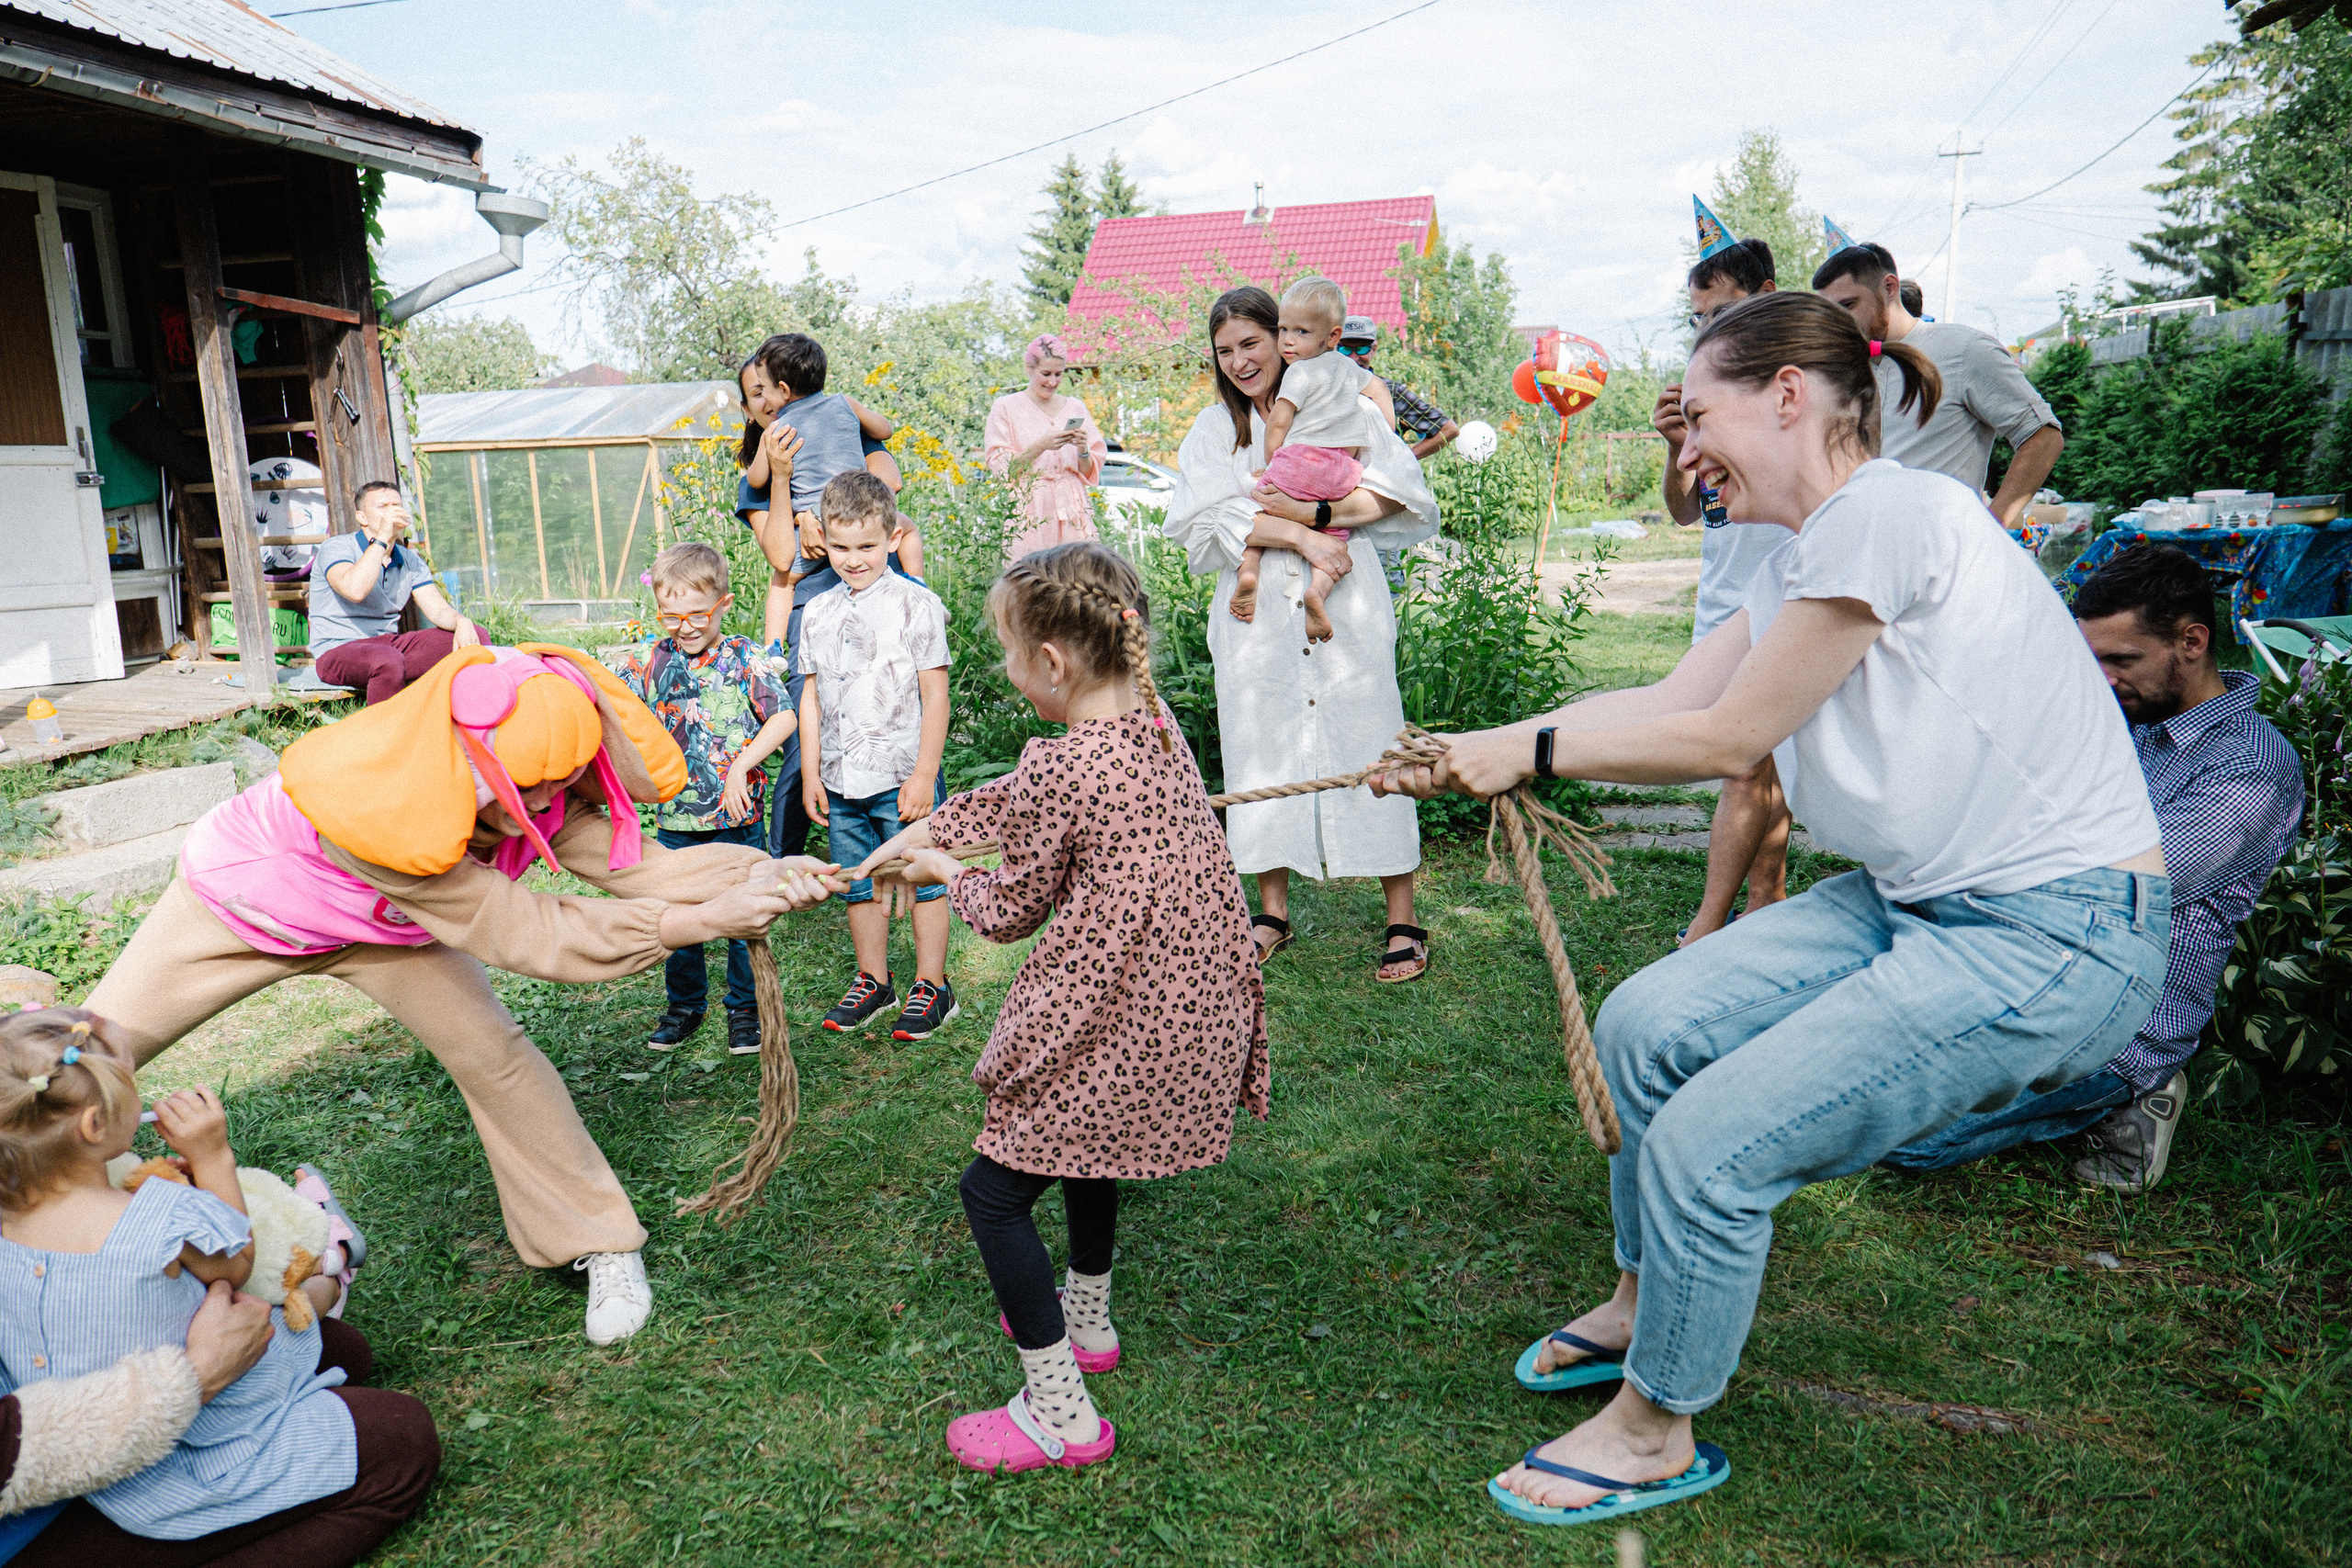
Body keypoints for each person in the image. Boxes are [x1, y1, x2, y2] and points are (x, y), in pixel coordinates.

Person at [1370, 291, 2168, 1527]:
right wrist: (1480, 742)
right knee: (1646, 1025)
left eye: (1702, 418)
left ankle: (1655, 1427)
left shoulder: (1891, 512)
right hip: (1923, 899)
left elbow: (1727, 737)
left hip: (2058, 931)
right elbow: (1675, 696)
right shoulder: (1810, 551)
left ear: (1787, 397)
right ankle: (1645, 1295)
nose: (1688, 451)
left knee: (1716, 1143)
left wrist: (1523, 752)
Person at [84, 644, 841, 1346]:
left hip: (387, 931)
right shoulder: (385, 807)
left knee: (496, 1057)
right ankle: (47, 1223)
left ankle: (600, 1239)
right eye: (528, 785)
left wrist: (760, 873)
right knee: (80, 1059)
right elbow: (530, 930)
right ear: (469, 760)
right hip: (246, 902)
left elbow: (638, 864)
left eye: (558, 779)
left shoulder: (536, 780)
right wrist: (702, 921)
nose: (545, 798)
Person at [852, 543, 1267, 1475]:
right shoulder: (1155, 721)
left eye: (1008, 652)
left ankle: (1060, 1413)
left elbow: (1007, 910)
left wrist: (942, 868)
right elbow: (1027, 798)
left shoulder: (1062, 768)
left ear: (1051, 660)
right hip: (1188, 1008)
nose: (1007, 670)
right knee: (1088, 1147)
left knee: (992, 1194)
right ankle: (1087, 1319)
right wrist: (936, 824)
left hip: (1112, 1017)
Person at [1883, 544, 2301, 1190]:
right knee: (1847, 1061)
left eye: (2121, 660)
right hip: (2018, 964)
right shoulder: (2122, 718)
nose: (2102, 679)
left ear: (2192, 642)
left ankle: (2139, 1093)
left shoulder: (2249, 767)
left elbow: (2109, 892)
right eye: (2092, 660)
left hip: (2116, 1024)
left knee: (1899, 1133)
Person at [1164, 286, 1440, 984]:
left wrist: (1312, 516)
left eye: (1251, 343)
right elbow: (1202, 523)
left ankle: (1402, 917)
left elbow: (1395, 494)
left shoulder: (1341, 406)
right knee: (1259, 744)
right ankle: (1271, 912)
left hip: (1345, 603)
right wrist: (1299, 537)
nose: (1239, 361)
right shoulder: (1213, 431)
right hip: (1255, 616)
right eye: (1225, 351)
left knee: (1372, 734)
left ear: (1284, 341)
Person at [0, 1261, 435, 1568]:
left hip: (30, 1402)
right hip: (26, 1513)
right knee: (399, 1437)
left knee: (338, 1350)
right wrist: (196, 1375)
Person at [1652, 236, 1794, 946]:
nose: (1707, 328)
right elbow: (1687, 511)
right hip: (1724, 598)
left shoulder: (1795, 389)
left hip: (1786, 594)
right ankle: (1767, 894)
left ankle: (1707, 928)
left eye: (1721, 311)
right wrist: (1676, 444)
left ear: (1765, 296)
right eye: (1698, 316)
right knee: (1761, 758)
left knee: (1744, 758)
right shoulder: (1703, 382)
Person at [614, 543, 797, 1056]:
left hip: (738, 818)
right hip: (675, 820)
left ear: (724, 604)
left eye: (698, 614)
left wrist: (741, 765)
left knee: (745, 915)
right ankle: (685, 1006)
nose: (686, 627)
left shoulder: (745, 658)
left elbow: (784, 718)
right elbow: (613, 712)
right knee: (678, 914)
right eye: (671, 616)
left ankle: (745, 1008)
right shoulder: (648, 661)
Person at [799, 472, 957, 1042]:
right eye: (840, 547)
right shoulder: (817, 611)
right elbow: (811, 696)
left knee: (922, 877)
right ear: (823, 540)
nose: (853, 559)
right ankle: (874, 980)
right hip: (842, 779)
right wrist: (812, 772)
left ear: (893, 538)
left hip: (901, 776)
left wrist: (924, 774)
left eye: (866, 546)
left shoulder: (917, 604)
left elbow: (935, 694)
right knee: (857, 880)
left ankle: (932, 985)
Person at [1813, 242, 2063, 525]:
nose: (1840, 321)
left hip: (1945, 548)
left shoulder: (1963, 349)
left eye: (1848, 305)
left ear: (1889, 287)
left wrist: (1990, 528)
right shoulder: (1846, 373)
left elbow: (2043, 437)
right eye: (1830, 312)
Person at [735, 336, 908, 644]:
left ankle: (772, 648)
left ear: (783, 390)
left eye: (765, 389)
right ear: (747, 409)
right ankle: (917, 583)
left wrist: (814, 515)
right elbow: (885, 429)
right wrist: (781, 478)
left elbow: (891, 481)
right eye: (756, 393)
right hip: (818, 605)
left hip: (871, 584)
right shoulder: (844, 409)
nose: (766, 400)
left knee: (782, 583)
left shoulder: (775, 433)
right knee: (907, 531)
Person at [1233, 276, 1376, 642]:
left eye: (1300, 331)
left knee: (1256, 510)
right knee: (1337, 535)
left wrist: (1272, 462)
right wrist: (1386, 425)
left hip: (1299, 462)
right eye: (1283, 329)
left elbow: (1280, 421)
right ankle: (1318, 591)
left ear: (1332, 336)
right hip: (1342, 471)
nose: (1288, 341)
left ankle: (1248, 572)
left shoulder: (1299, 372)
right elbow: (1378, 391)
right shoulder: (1349, 369)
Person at [308, 482, 480, 705]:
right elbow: (355, 590)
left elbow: (437, 610)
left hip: (388, 646)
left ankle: (461, 712)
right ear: (362, 517)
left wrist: (461, 621)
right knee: (387, 661)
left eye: (396, 505)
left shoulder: (409, 560)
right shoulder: (337, 547)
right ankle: (387, 724)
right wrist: (382, 539)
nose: (392, 512)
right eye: (383, 507)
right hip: (337, 650)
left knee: (475, 637)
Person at [983, 334, 1108, 559]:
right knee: (1030, 571)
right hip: (1030, 506)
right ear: (1030, 369)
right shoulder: (1006, 407)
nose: (1052, 382)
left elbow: (1089, 471)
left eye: (1058, 374)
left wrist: (1083, 450)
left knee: (1078, 569)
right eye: (1046, 374)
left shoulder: (1075, 407)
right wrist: (1041, 446)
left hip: (1072, 504)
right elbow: (1004, 470)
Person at [1336, 316, 1450, 459]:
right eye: (1346, 349)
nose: (1353, 357)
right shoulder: (1325, 389)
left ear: (1374, 349)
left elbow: (1447, 429)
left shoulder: (1390, 392)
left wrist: (1404, 460)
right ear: (1335, 349)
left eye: (1361, 349)